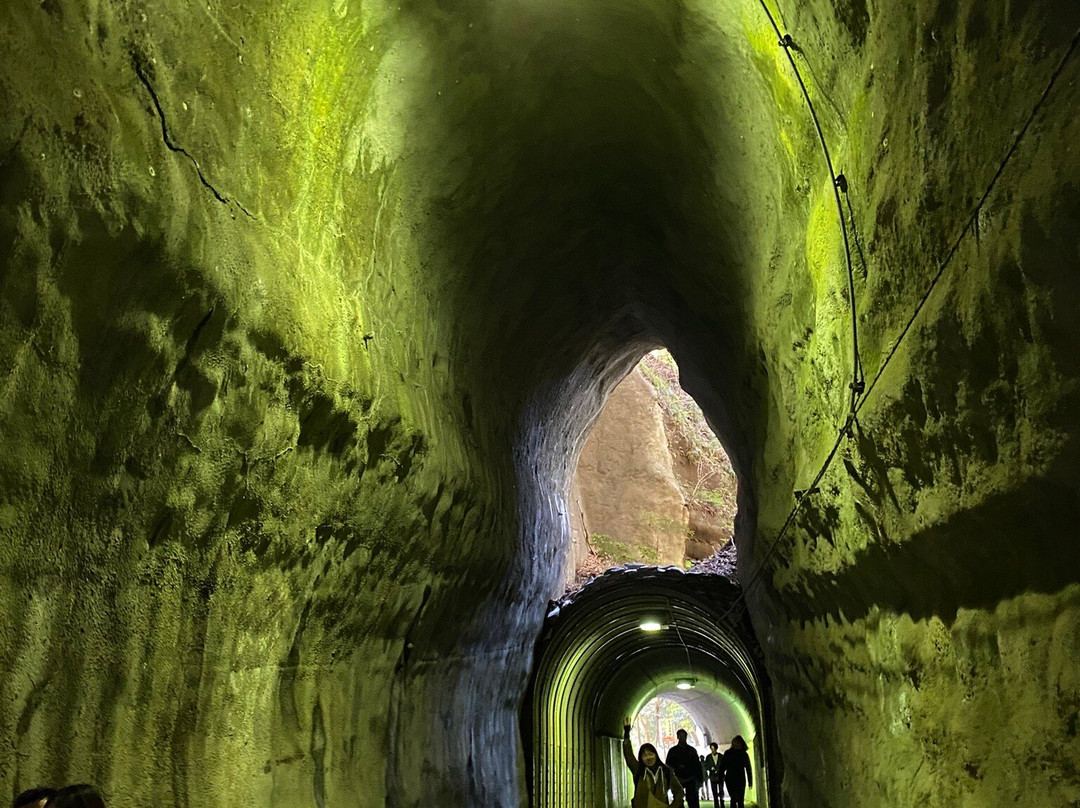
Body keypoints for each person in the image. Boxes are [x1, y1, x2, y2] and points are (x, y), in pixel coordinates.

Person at [622, 718, 685, 807]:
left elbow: (679, 792)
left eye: (651, 754)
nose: (648, 758)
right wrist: (626, 733)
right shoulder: (638, 771)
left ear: (656, 755)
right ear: (641, 758)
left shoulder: (666, 771)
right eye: (645, 755)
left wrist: (673, 806)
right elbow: (629, 756)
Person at [664, 729, 701, 808]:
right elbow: (668, 765)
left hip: (691, 779)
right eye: (680, 736)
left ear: (686, 737)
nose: (682, 738)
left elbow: (697, 766)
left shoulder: (692, 751)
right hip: (677, 778)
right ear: (677, 737)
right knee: (678, 801)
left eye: (684, 736)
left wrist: (698, 779)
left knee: (693, 801)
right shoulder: (673, 751)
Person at [720, 736, 752, 808]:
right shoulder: (743, 754)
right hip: (740, 778)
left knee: (734, 798)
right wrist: (750, 780)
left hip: (730, 778)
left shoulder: (728, 753)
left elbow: (722, 767)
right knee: (739, 800)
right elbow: (748, 768)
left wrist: (721, 777)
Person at [703, 742, 724, 807]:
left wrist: (719, 770)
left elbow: (724, 765)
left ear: (716, 749)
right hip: (712, 777)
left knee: (721, 791)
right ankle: (716, 805)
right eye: (711, 749)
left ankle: (722, 803)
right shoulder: (708, 757)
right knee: (714, 792)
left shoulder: (721, 756)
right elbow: (706, 766)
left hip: (720, 776)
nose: (713, 751)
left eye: (714, 749)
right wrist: (710, 768)